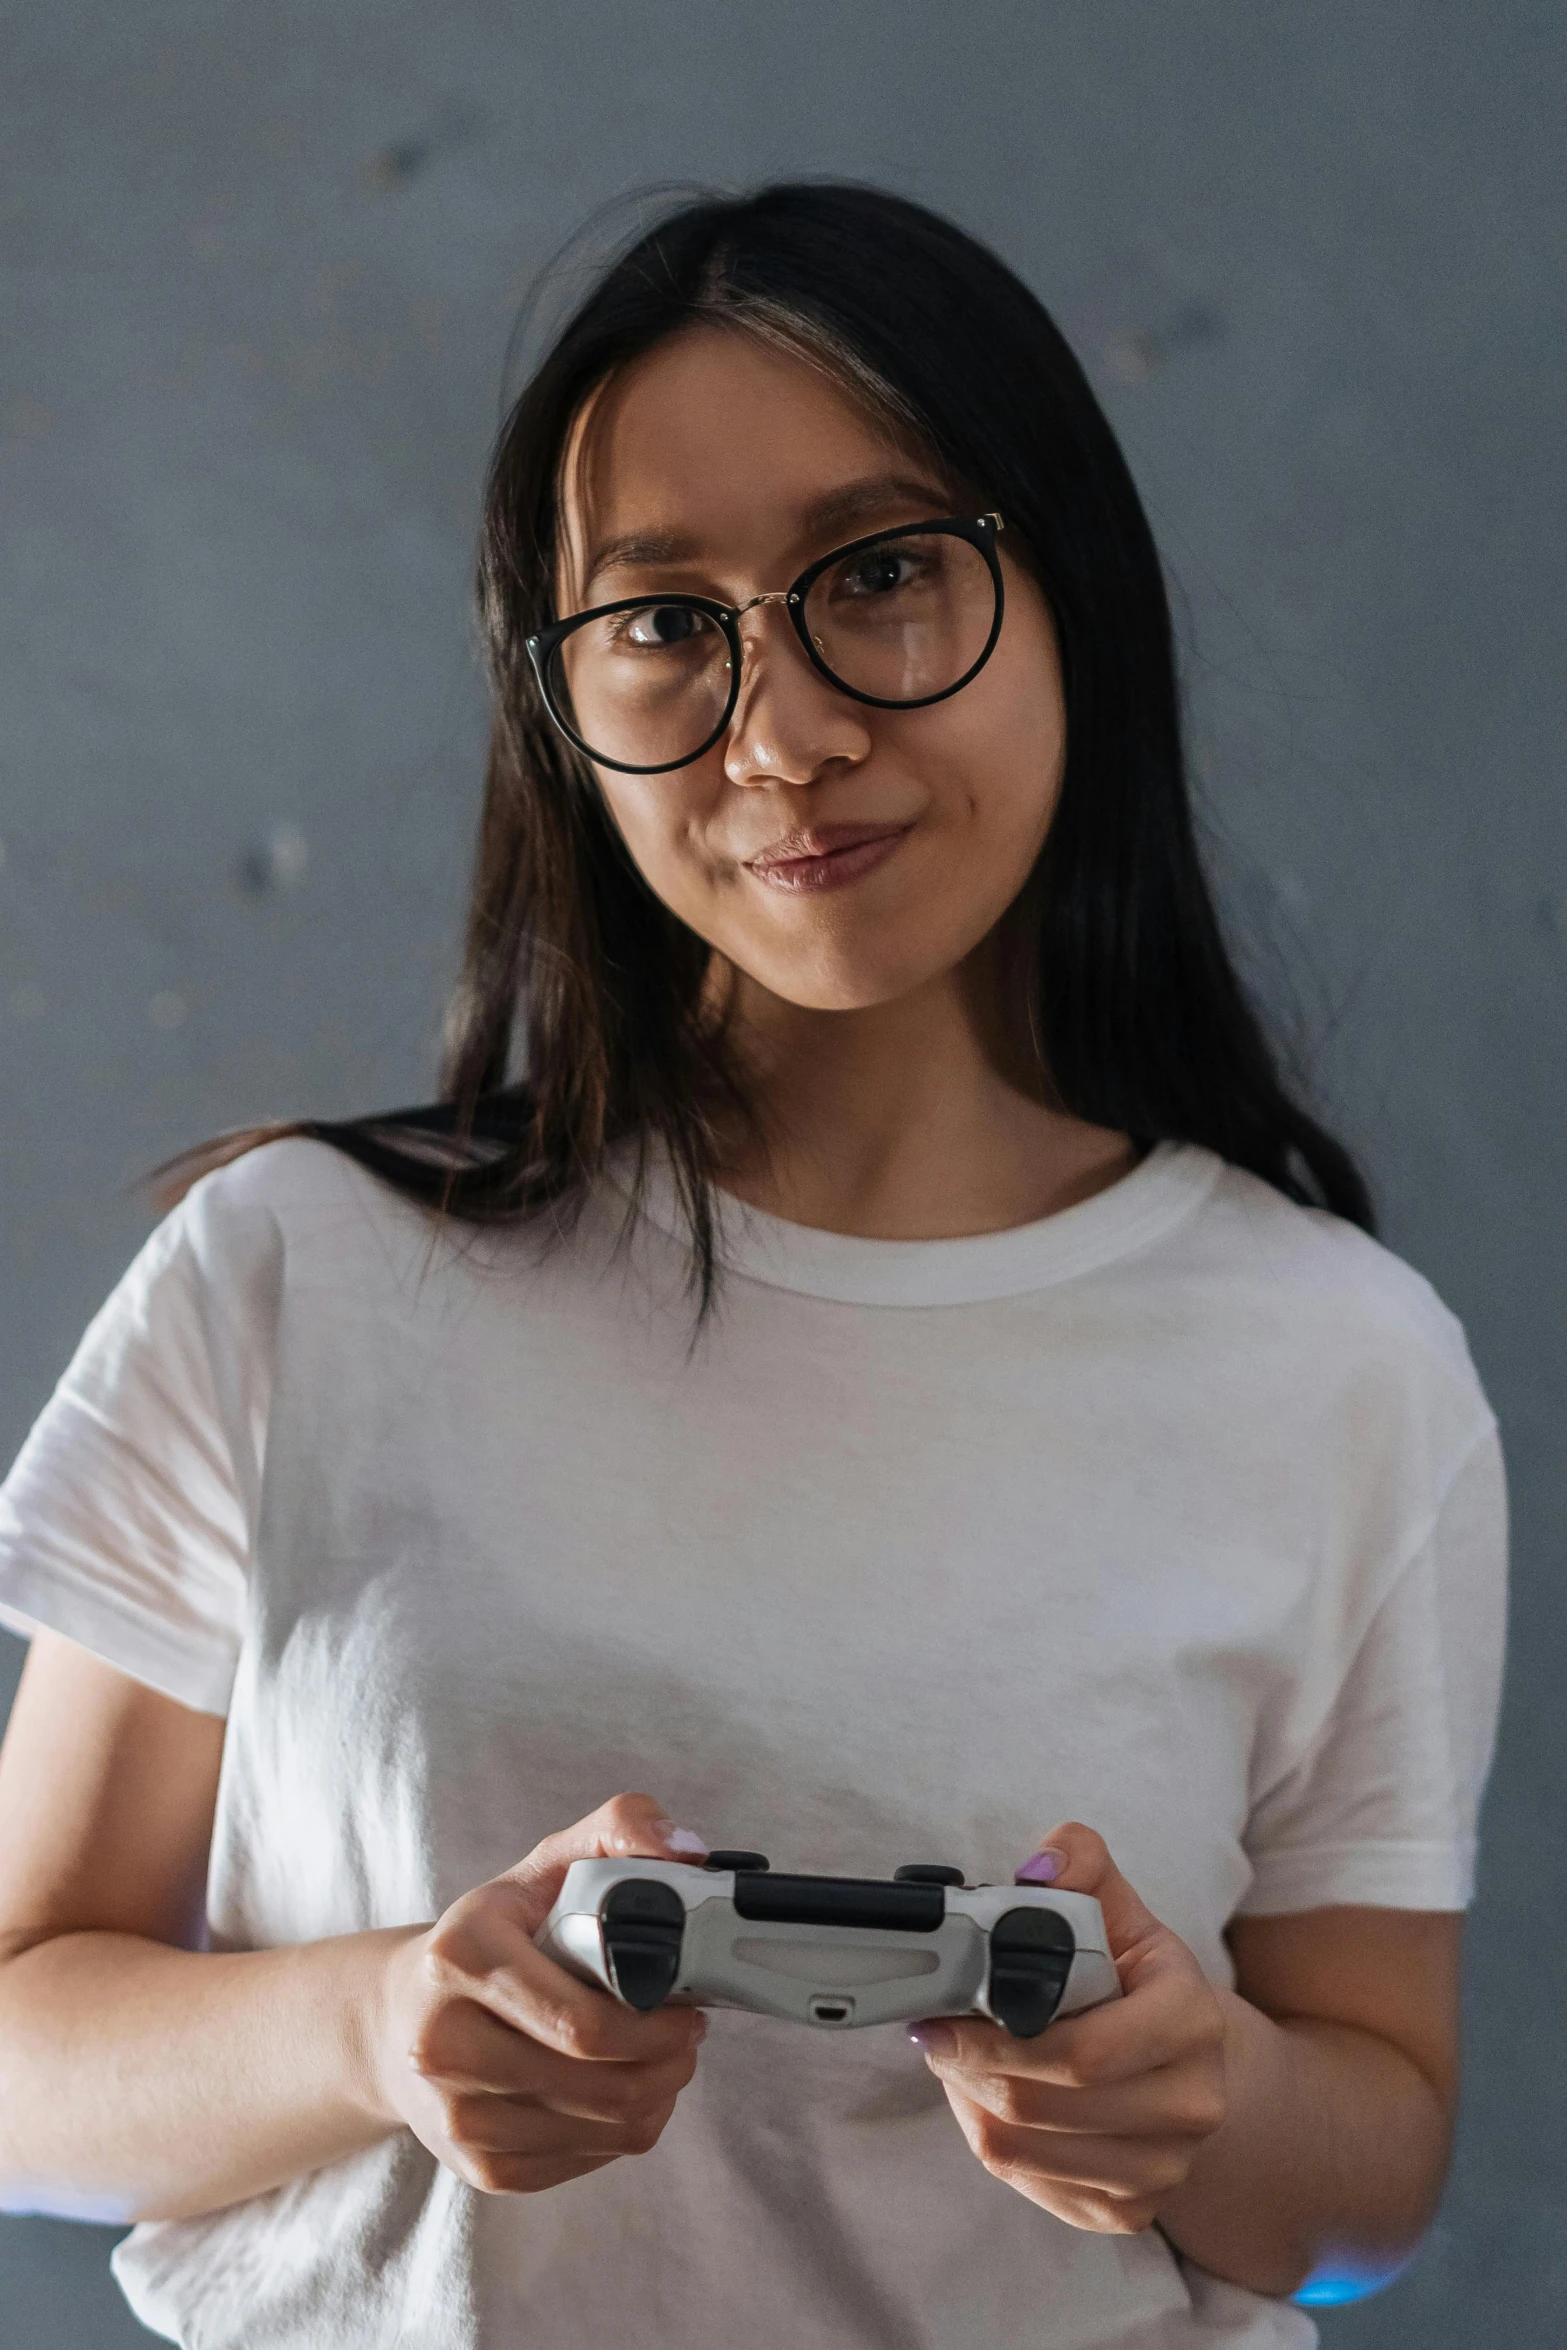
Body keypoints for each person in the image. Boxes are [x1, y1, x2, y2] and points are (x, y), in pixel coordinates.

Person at [0, 184, 1505, 2350]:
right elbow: (28, 2043)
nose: (779, 734)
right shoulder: (294, 1277)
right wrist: (374, 2029)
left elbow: (1374, 2171)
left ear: (1069, 585)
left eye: (883, 576)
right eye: (664, 624)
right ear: (560, 692)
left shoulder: (1340, 1364)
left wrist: (1212, 2096)